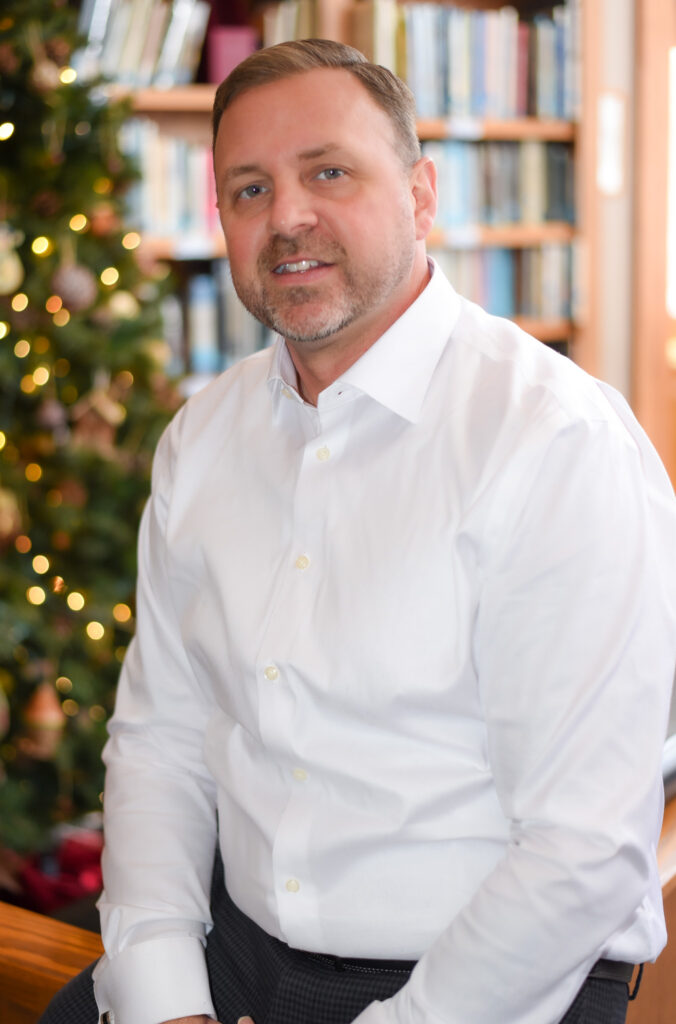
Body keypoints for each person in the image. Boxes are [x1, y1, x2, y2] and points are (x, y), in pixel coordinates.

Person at [41, 38, 676, 1024]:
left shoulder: (555, 442)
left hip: (490, 984)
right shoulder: (202, 438)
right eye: (250, 189)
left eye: (328, 172)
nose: (287, 216)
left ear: (421, 196)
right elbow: (161, 741)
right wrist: (166, 996)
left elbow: (581, 851)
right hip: (234, 951)